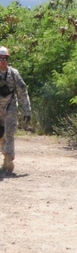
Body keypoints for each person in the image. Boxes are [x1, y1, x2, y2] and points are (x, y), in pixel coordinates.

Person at [0, 46, 31, 175]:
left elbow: (22, 92)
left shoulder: (13, 74)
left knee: (9, 134)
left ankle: (8, 160)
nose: (3, 61)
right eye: (0, 58)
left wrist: (27, 110)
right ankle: (5, 155)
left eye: (5, 58)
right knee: (1, 136)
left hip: (10, 107)